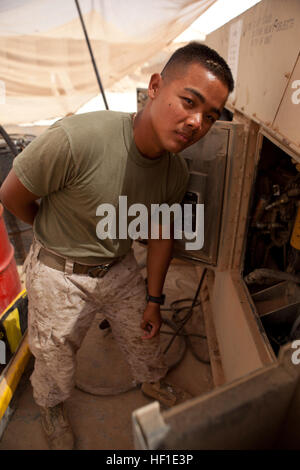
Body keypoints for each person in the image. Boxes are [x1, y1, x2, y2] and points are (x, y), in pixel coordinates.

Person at [0, 42, 233, 450]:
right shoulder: (77, 139)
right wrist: (51, 233)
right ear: (156, 86)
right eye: (189, 101)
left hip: (119, 267)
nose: (196, 122)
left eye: (210, 116)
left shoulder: (175, 170)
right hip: (59, 273)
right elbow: (12, 194)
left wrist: (155, 299)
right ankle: (52, 406)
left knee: (145, 335)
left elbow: (161, 233)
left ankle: (152, 382)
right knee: (53, 356)